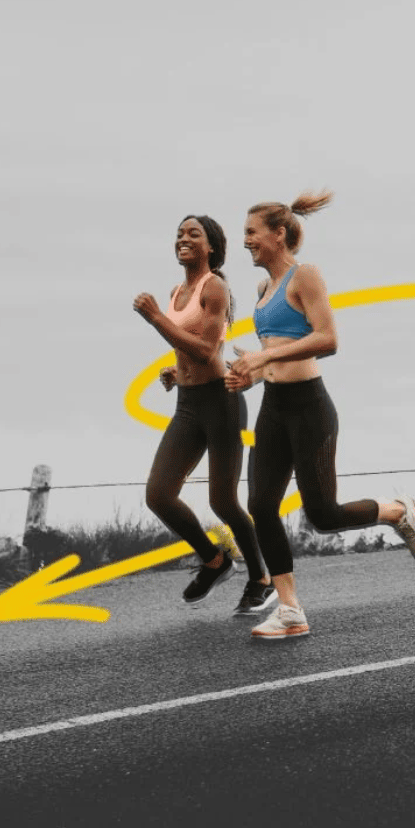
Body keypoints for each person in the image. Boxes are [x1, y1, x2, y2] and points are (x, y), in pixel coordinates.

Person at [225, 189, 415, 641]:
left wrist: (262, 361)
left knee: (323, 515)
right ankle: (290, 609)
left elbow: (328, 339)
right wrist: (252, 372)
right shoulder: (263, 289)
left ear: (279, 235)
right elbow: (276, 355)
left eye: (251, 233)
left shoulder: (305, 275)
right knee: (261, 505)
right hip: (274, 408)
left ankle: (397, 511)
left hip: (310, 408)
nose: (245, 242)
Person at [133, 214, 277, 615]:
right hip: (188, 404)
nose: (183, 239)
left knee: (223, 502)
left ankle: (261, 579)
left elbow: (207, 351)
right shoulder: (178, 290)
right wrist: (176, 373)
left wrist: (155, 318)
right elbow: (189, 356)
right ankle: (215, 561)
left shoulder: (216, 287)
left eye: (193, 234)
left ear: (210, 246)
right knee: (159, 495)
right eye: (179, 233)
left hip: (221, 402)